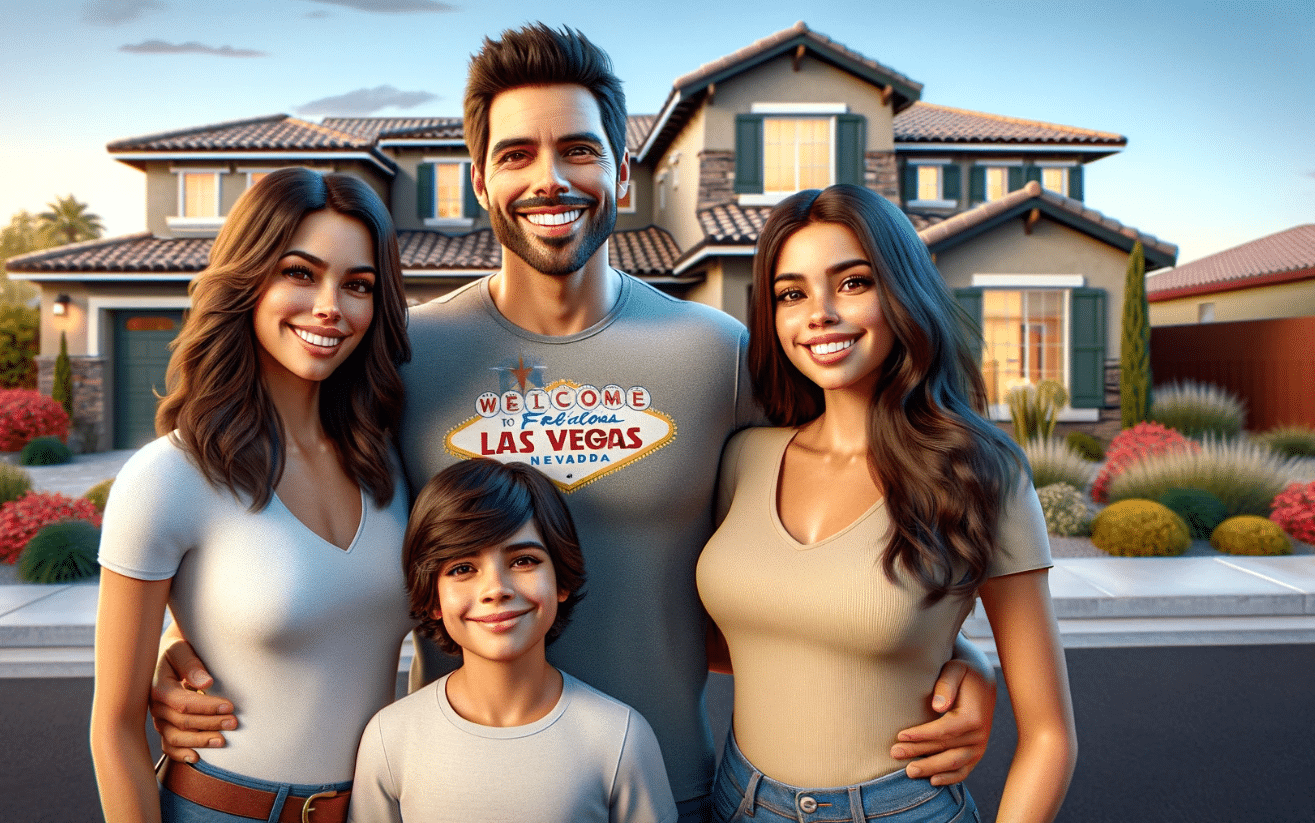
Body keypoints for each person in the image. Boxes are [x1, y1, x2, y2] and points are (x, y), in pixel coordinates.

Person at [149, 25, 999, 822]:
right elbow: (283, 499)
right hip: (453, 792)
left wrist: (954, 656)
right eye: (516, 153)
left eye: (579, 149)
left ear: (623, 174)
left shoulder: (722, 354)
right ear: (478, 179)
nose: (549, 178)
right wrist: (191, 638)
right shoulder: (402, 358)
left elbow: (858, 495)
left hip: (677, 786)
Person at [698, 184, 1077, 823]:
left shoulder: (981, 472)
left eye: (852, 283)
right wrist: (961, 660)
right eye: (791, 294)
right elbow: (742, 640)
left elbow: (1050, 738)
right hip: (736, 800)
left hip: (902, 809)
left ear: (902, 292)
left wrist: (964, 663)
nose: (818, 313)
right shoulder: (744, 458)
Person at [89, 168, 413, 823]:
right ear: (249, 279)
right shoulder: (167, 477)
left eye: (357, 285)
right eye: (300, 272)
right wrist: (164, 649)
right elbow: (114, 728)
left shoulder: (391, 463)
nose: (331, 306)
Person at [352, 458, 677, 822]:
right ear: (432, 600)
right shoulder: (390, 737)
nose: (496, 589)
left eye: (523, 561)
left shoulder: (619, 738)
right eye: (462, 569)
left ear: (562, 580)